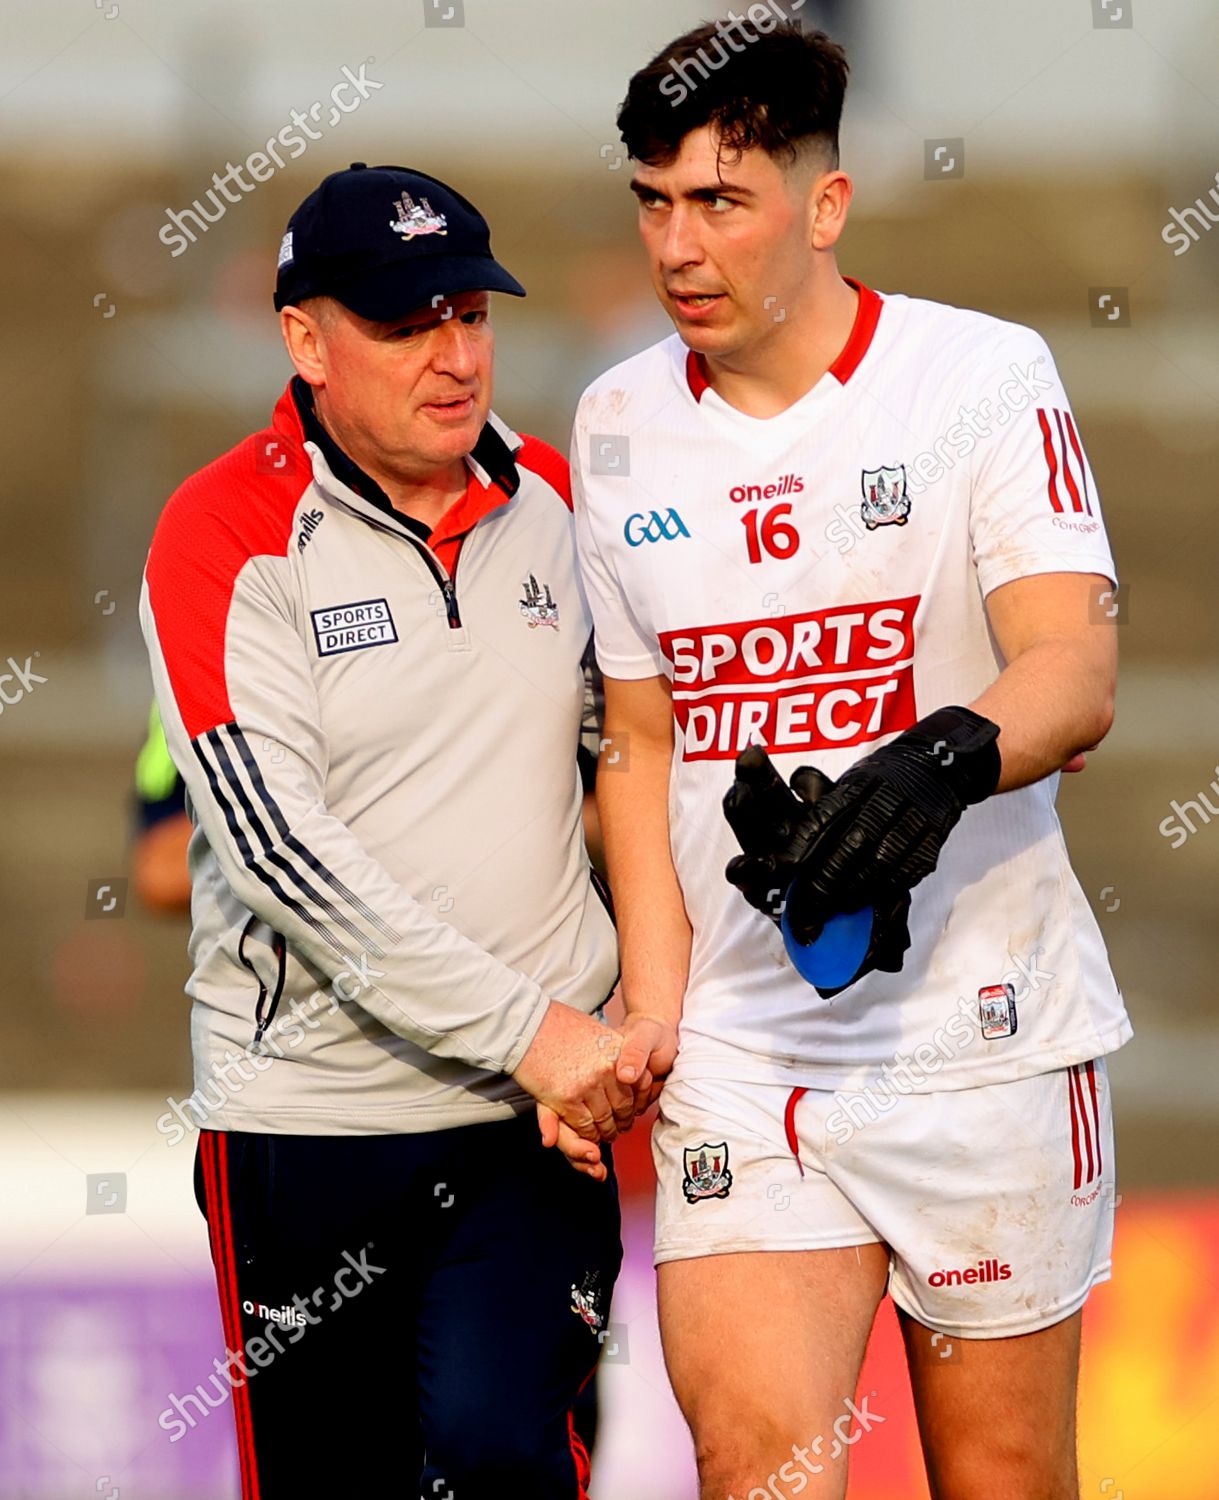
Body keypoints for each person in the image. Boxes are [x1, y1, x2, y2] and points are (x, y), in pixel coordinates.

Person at [572, 24, 1130, 1500]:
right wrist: (656, 1010)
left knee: (1002, 1475)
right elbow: (638, 742)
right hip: (745, 1059)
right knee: (756, 1462)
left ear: (826, 205)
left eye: (721, 201)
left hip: (983, 1034)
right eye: (653, 202)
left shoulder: (982, 373)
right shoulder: (617, 421)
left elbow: (1075, 668)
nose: (678, 246)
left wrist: (933, 768)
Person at [140, 161, 651, 1498]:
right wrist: (537, 1032)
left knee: (501, 1454)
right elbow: (279, 852)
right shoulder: (221, 532)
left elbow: (637, 768)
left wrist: (632, 1017)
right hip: (308, 1121)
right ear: (305, 341)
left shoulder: (561, 503)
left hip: (529, 1126)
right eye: (404, 324)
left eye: (470, 316)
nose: (455, 356)